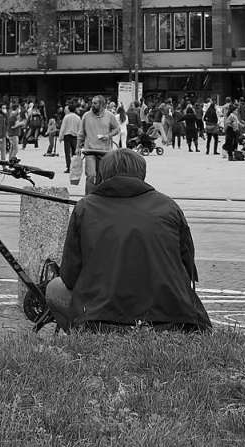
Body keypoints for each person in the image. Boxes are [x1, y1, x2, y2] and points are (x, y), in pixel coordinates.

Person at [45, 148, 211, 331]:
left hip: (101, 318)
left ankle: (83, 338)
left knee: (54, 289)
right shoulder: (168, 206)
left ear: (103, 173)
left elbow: (69, 276)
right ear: (142, 173)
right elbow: (187, 267)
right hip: (172, 319)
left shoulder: (85, 208)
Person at [77, 95, 121, 194]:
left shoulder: (110, 116)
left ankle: (99, 196)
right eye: (92, 103)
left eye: (95, 103)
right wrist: (77, 147)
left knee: (103, 176)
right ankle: (88, 198)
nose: (92, 105)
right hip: (90, 151)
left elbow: (117, 129)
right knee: (91, 175)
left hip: (105, 151)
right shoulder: (86, 116)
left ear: (102, 105)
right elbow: (81, 133)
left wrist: (108, 136)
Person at [59, 103, 81, 173]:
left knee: (67, 152)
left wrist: (60, 136)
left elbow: (63, 127)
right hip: (75, 136)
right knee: (75, 153)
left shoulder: (66, 117)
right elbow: (80, 129)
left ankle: (69, 167)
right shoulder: (78, 117)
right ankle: (76, 167)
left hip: (67, 136)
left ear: (69, 109)